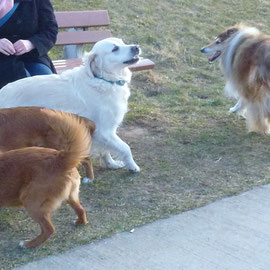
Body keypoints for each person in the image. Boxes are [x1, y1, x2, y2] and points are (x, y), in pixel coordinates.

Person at [0, 0, 58, 89]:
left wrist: (31, 43)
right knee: (20, 86)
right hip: (2, 60)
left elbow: (50, 30)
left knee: (48, 84)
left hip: (32, 56)